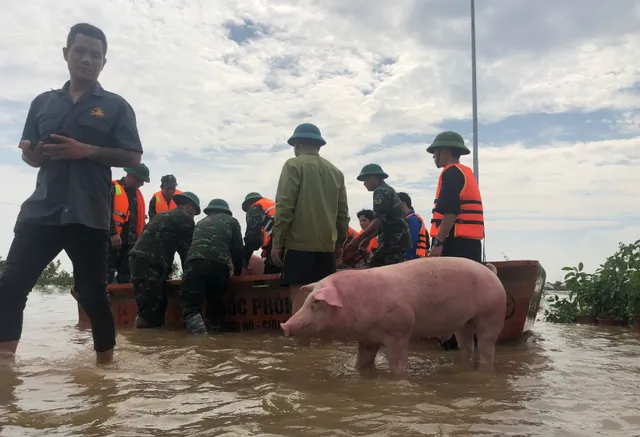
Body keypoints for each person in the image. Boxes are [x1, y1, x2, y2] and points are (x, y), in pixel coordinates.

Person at [0, 23, 143, 365]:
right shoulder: (42, 103)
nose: (87, 60)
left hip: (88, 213)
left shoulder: (115, 106)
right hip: (41, 211)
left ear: (104, 62)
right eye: (80, 51)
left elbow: (132, 157)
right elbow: (30, 151)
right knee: (9, 288)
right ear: (66, 54)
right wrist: (30, 154)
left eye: (96, 55)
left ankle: (105, 373)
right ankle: (5, 371)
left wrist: (86, 150)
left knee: (94, 296)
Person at [271, 123, 350, 315]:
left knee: (300, 306)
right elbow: (343, 215)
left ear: (296, 145)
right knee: (324, 306)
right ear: (319, 146)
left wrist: (277, 243)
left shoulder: (293, 165)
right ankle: (325, 345)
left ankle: (301, 345)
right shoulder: (336, 172)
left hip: (299, 246)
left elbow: (285, 208)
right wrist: (339, 244)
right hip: (326, 248)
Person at [426, 131, 485, 351]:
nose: (434, 157)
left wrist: (438, 244)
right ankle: (473, 346)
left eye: (435, 152)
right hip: (470, 243)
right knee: (468, 295)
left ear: (446, 151)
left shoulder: (450, 173)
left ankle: (453, 345)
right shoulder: (467, 173)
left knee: (451, 296)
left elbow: (450, 212)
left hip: (455, 241)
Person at [128, 192, 200, 329]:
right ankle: (142, 344)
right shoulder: (185, 218)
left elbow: (182, 249)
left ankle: (145, 345)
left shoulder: (165, 216)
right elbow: (189, 253)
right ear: (190, 206)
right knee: (150, 312)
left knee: (156, 307)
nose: (194, 216)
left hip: (142, 261)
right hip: (149, 263)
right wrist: (192, 280)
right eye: (194, 212)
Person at [180, 199, 244, 335]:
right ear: (227, 212)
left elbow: (191, 246)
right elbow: (238, 250)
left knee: (191, 308)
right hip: (220, 266)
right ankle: (215, 342)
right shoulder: (232, 221)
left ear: (209, 211)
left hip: (194, 263)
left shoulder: (200, 223)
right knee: (215, 307)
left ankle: (200, 342)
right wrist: (238, 271)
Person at [347, 164, 411, 267]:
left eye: (366, 179)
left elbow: (378, 220)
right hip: (394, 242)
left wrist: (358, 240)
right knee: (375, 266)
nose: (364, 183)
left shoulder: (381, 191)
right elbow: (384, 221)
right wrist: (367, 239)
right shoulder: (387, 190)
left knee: (388, 275)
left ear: (374, 177)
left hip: (393, 243)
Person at [108, 164, 149, 284]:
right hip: (111, 242)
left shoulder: (137, 195)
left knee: (126, 276)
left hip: (130, 244)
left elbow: (139, 219)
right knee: (106, 275)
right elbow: (103, 212)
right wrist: (113, 233)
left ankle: (123, 302)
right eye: (140, 181)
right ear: (131, 176)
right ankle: (102, 301)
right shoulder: (112, 187)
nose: (141, 185)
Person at [241, 192, 280, 274]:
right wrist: (266, 248)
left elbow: (252, 237)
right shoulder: (270, 206)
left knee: (271, 273)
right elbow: (272, 227)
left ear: (248, 205)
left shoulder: (255, 208)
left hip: (279, 243)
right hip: (291, 242)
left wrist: (245, 258)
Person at [397, 192, 429, 260]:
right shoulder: (407, 219)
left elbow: (411, 242)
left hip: (413, 260)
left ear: (402, 204)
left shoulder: (413, 220)